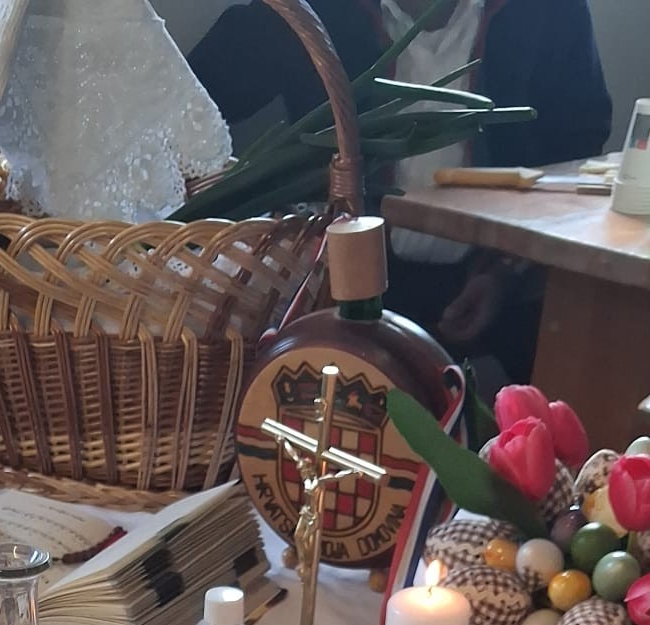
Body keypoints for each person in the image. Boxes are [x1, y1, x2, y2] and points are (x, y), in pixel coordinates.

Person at [186, 0, 612, 380]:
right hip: (337, 288)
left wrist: (505, 273)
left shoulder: (550, 11)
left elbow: (577, 145)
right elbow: (186, 104)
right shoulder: (312, 9)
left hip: (498, 280)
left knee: (587, 349)